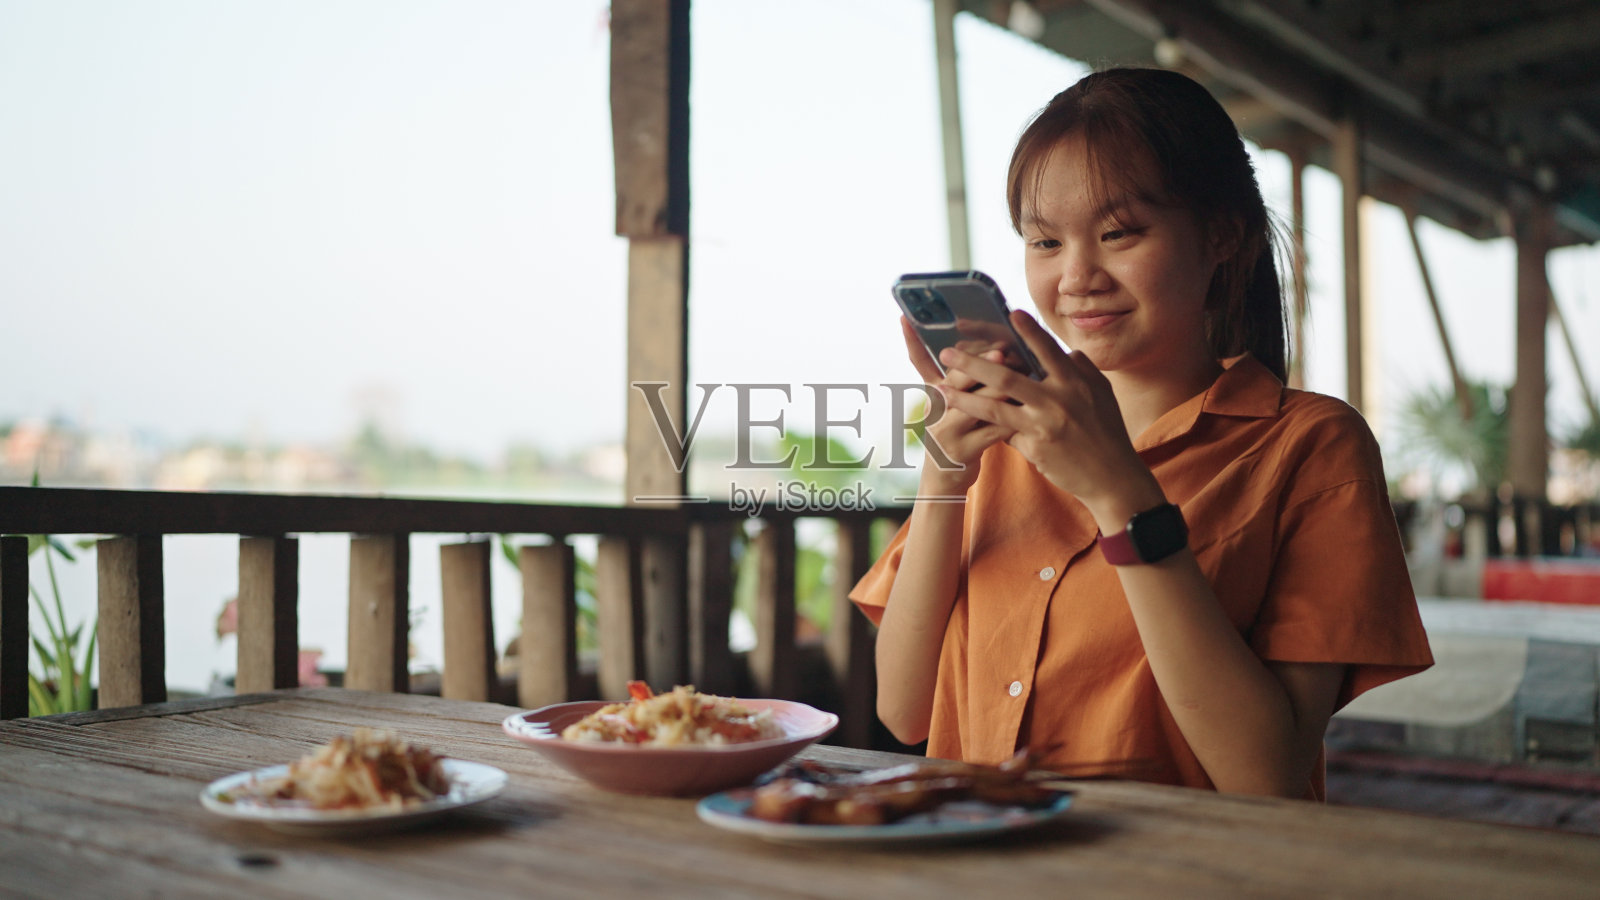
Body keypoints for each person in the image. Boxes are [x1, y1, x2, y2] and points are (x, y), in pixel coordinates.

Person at [850, 67, 1433, 800]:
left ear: (1221, 234)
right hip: (975, 857)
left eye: (1119, 234)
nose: (1076, 277)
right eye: (1044, 242)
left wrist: (1118, 493)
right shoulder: (998, 442)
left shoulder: (1312, 447)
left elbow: (1267, 779)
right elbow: (902, 712)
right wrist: (942, 481)